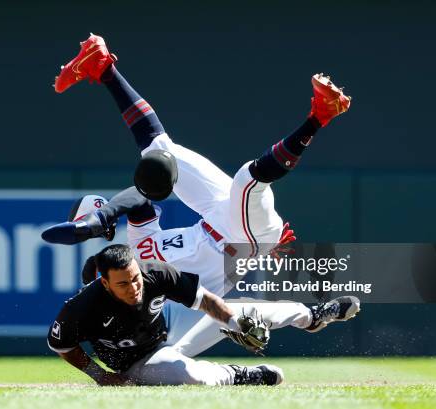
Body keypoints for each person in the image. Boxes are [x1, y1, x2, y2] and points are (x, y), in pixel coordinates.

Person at [44, 33, 360, 359]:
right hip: (239, 240)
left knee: (159, 151)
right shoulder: (130, 290)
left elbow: (139, 202)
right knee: (248, 180)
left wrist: (104, 215)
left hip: (219, 217)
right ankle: (319, 116)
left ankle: (103, 67)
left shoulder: (138, 245)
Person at [47, 244, 283, 386]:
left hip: (167, 326)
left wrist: (236, 324)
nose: (134, 288)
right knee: (193, 377)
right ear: (105, 283)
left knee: (242, 311)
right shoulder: (84, 306)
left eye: (135, 278)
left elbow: (205, 300)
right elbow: (61, 345)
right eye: (123, 284)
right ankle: (239, 375)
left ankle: (311, 317)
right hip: (137, 359)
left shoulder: (156, 273)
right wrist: (101, 376)